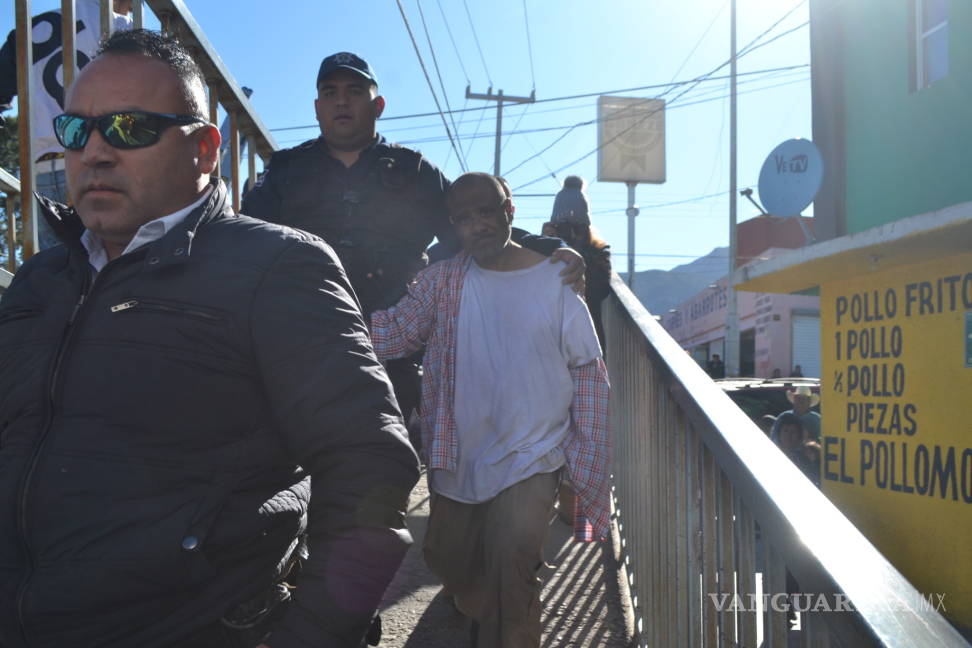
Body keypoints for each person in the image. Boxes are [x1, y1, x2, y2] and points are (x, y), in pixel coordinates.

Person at [0, 30, 419, 648]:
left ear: (203, 151)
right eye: (75, 131)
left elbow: (369, 467)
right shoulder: (40, 277)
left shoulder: (279, 267)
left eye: (127, 129)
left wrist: (316, 634)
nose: (94, 152)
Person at [241, 52, 582, 432]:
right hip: (301, 338)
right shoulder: (286, 170)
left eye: (354, 91)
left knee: (380, 463)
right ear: (317, 107)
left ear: (378, 105)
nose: (342, 101)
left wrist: (545, 248)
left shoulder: (415, 171)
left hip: (392, 347)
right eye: (330, 92)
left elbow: (471, 227)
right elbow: (245, 242)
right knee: (298, 458)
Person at [369, 172, 611, 648]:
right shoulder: (442, 281)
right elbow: (393, 333)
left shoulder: (558, 279)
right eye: (464, 218)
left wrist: (587, 453)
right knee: (448, 557)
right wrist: (320, 320)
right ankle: (478, 604)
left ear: (509, 211)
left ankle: (502, 625)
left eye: (486, 211)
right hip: (461, 455)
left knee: (513, 570)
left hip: (533, 457)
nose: (477, 224)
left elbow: (588, 370)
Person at [0, 0, 132, 250]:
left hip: (40, 170)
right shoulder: (121, 26)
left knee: (58, 273)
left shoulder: (30, 28)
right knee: (111, 268)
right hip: (98, 163)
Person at [544, 175, 612, 347]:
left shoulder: (597, 252)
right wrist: (545, 242)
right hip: (561, 334)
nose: (571, 233)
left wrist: (579, 255)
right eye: (564, 226)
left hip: (583, 330)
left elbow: (599, 291)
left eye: (577, 227)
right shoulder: (545, 248)